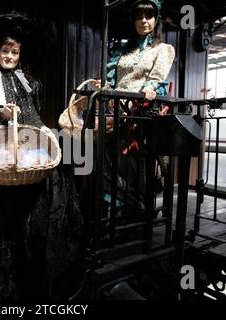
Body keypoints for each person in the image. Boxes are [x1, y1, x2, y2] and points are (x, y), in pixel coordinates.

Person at [0, 13, 84, 300]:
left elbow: (35, 119)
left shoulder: (33, 86)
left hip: (32, 157)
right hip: (2, 158)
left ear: (20, 55)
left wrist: (50, 135)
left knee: (40, 211)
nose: (9, 55)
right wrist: (0, 115)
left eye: (14, 51)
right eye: (5, 50)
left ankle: (36, 278)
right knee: (6, 222)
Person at [94, 0, 175, 213]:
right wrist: (104, 85)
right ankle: (116, 209)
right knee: (107, 159)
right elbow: (112, 77)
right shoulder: (124, 49)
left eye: (148, 16)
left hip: (138, 115)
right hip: (116, 111)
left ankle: (137, 211)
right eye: (139, 17)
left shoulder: (163, 49)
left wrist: (150, 88)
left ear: (155, 19)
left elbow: (155, 78)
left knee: (132, 164)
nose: (144, 21)